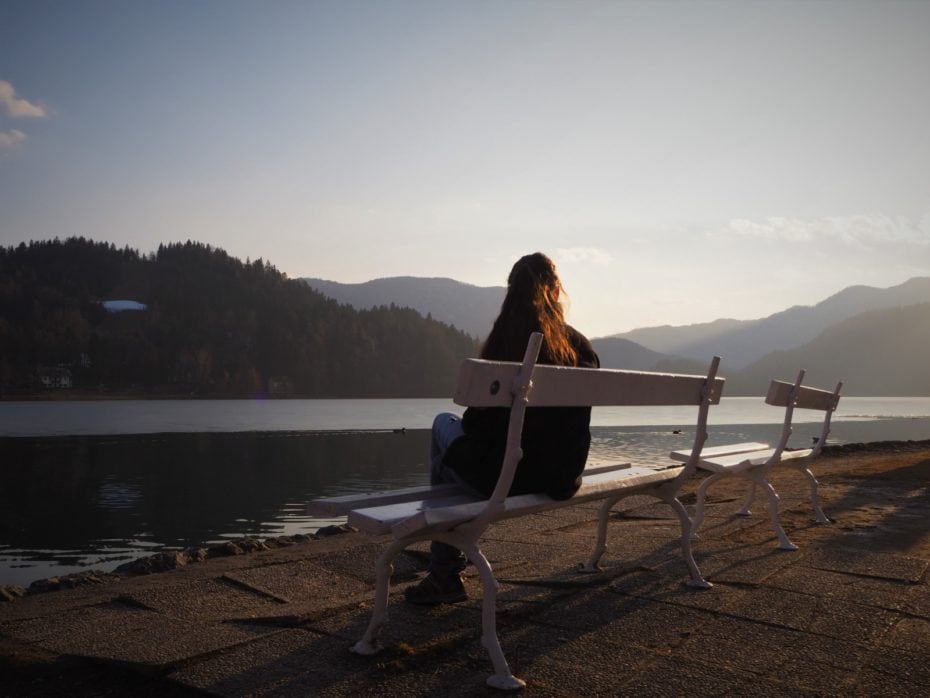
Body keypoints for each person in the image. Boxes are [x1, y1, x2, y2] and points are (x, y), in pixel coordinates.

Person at [405, 252, 600, 605]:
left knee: (441, 426)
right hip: (560, 477)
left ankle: (444, 571)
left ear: (511, 292)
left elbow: (474, 424)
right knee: (456, 454)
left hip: (504, 478)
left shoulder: (504, 341)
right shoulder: (580, 346)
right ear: (556, 292)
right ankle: (444, 565)